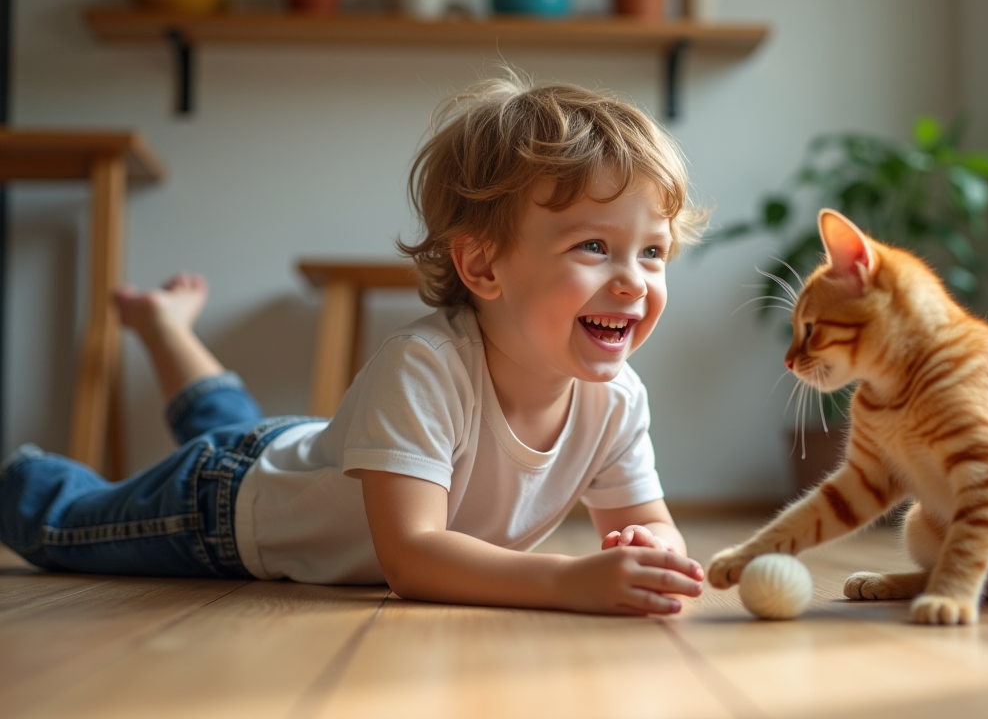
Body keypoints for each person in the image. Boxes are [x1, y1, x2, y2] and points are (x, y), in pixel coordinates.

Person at [0, 76, 709, 616]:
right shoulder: (426, 367)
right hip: (227, 512)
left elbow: (650, 522)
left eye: (652, 252)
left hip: (313, 456)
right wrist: (566, 580)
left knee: (234, 425)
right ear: (483, 267)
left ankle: (163, 326)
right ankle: (19, 475)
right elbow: (414, 558)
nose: (633, 282)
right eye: (594, 246)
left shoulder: (617, 399)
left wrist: (655, 555)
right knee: (59, 525)